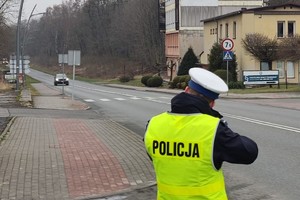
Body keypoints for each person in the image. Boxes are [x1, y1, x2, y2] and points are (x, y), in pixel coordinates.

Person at [144, 67, 258, 200]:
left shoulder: (153, 124)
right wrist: (222, 128)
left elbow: (154, 156)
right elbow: (249, 152)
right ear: (212, 104)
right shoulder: (214, 129)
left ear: (186, 90)